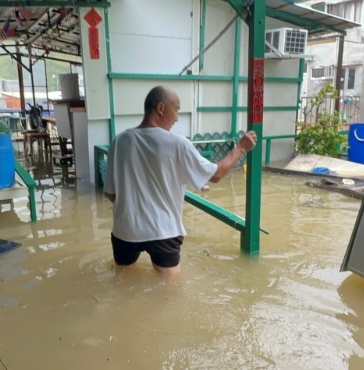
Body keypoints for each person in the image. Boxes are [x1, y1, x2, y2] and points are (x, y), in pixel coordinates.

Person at [103, 85, 258, 277]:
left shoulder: (119, 141)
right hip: (164, 232)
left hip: (125, 230)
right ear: (161, 108)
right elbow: (216, 175)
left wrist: (134, 211)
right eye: (176, 110)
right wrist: (241, 148)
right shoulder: (178, 144)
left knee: (122, 280)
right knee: (170, 293)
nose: (177, 118)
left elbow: (110, 193)